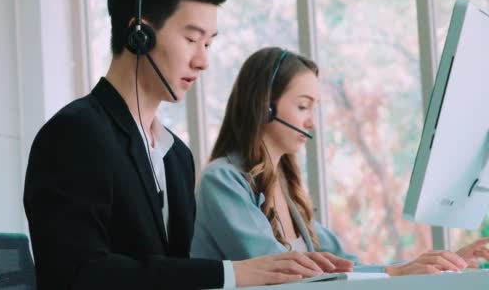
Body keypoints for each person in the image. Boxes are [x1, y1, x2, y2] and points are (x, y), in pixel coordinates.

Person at [23, 0, 342, 289]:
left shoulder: (177, 156)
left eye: (209, 43)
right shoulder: (75, 134)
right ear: (139, 34)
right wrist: (231, 273)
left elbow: (176, 270)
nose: (203, 60)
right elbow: (77, 274)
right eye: (192, 39)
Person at [191, 46, 489, 276]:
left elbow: (346, 266)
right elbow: (284, 273)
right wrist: (396, 272)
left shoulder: (286, 190)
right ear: (265, 107)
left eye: (314, 108)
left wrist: (438, 264)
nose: (312, 122)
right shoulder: (222, 181)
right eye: (302, 106)